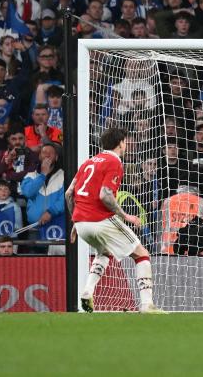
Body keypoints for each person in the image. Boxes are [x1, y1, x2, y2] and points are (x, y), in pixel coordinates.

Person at [65, 127, 164, 313]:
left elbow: (69, 193)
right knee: (142, 254)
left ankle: (88, 290)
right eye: (126, 142)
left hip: (81, 223)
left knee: (104, 252)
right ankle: (146, 305)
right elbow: (105, 194)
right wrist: (125, 216)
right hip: (100, 220)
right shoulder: (114, 162)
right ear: (120, 143)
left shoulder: (88, 162)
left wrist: (74, 221)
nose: (126, 145)